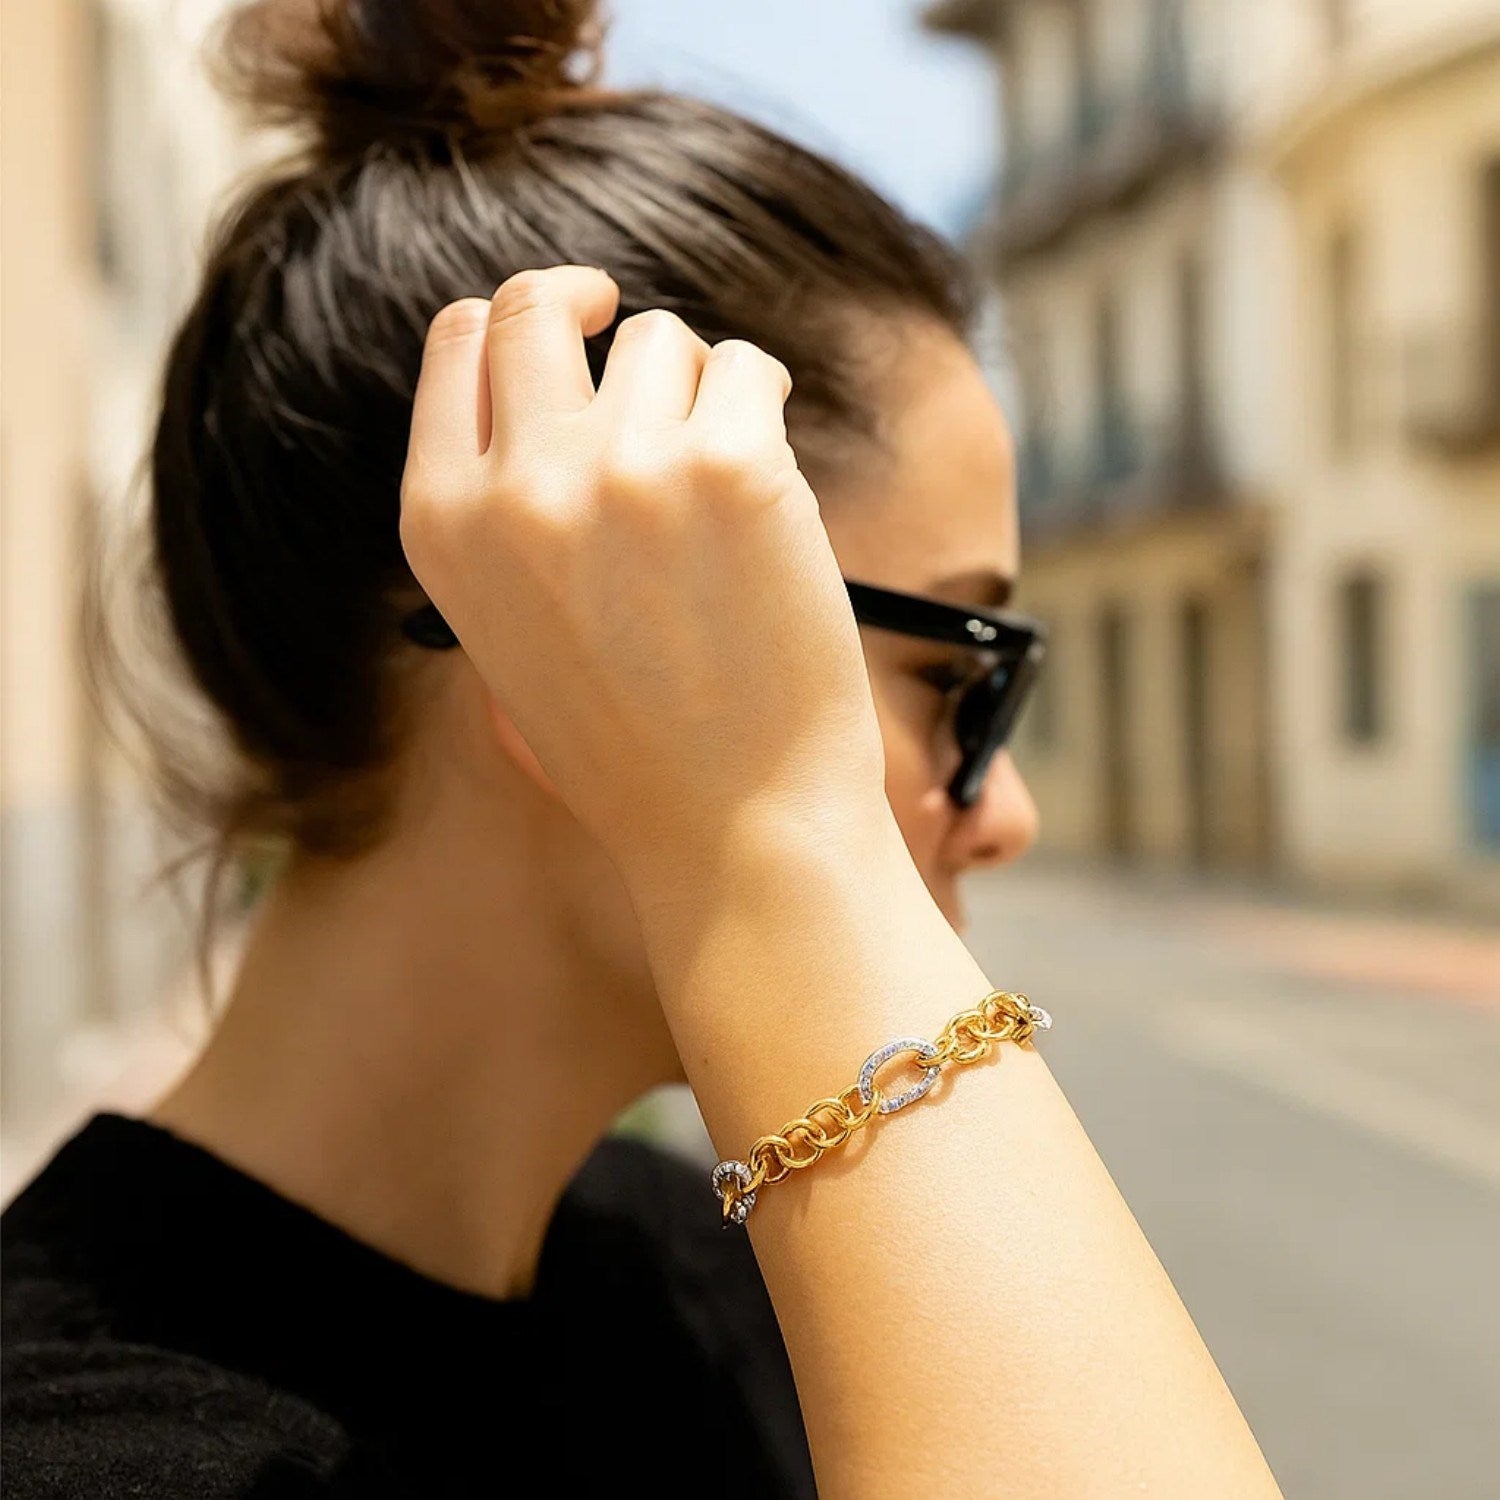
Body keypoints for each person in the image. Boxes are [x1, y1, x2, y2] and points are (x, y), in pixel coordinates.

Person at [1, 1, 1285, 1495]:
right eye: (956, 676)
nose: (1011, 813)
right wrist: (768, 827)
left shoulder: (694, 1257)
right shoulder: (103, 1457)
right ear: (556, 643)